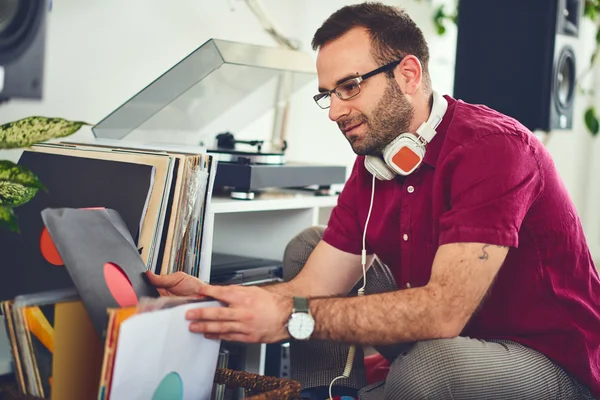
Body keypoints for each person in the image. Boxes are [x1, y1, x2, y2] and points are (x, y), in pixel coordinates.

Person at [146, 2, 600, 399]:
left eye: (350, 86)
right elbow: (306, 289)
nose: (337, 110)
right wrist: (207, 302)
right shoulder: (377, 162)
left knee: (429, 369)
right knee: (308, 244)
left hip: (550, 364)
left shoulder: (493, 148)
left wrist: (290, 317)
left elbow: (443, 313)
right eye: (328, 95)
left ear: (408, 74)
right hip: (453, 338)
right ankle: (326, 394)